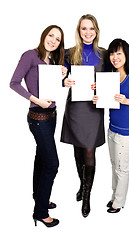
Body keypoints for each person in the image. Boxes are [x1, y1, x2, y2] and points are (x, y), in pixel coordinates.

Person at [10, 25, 67, 227]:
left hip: (51, 115)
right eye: (51, 35)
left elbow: (50, 87)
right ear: (44, 35)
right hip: (38, 117)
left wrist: (64, 81)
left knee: (41, 158)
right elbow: (14, 83)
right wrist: (36, 100)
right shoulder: (30, 55)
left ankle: (39, 197)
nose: (53, 40)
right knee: (52, 164)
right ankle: (41, 212)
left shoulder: (52, 61)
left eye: (58, 39)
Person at [61, 14, 109, 217]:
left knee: (89, 152)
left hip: (94, 108)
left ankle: (87, 196)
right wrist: (63, 81)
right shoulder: (69, 53)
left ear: (96, 30)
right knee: (78, 150)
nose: (88, 32)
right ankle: (82, 184)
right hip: (75, 108)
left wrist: (104, 87)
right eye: (84, 29)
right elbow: (57, 77)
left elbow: (113, 80)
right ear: (79, 31)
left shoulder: (106, 54)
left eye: (91, 28)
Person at [93, 38, 129, 213]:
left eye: (119, 53)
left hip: (126, 132)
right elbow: (106, 101)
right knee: (114, 164)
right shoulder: (110, 77)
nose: (115, 57)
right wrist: (97, 96)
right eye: (112, 54)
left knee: (121, 168)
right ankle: (114, 195)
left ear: (126, 55)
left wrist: (127, 100)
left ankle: (119, 202)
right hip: (112, 129)